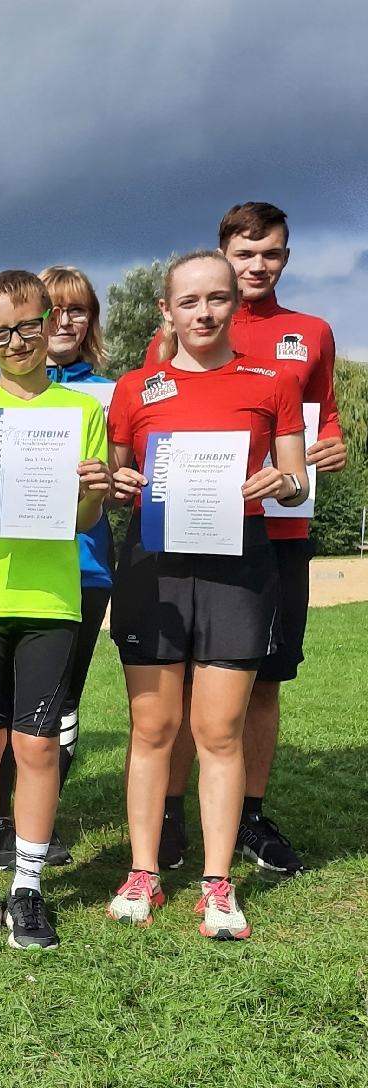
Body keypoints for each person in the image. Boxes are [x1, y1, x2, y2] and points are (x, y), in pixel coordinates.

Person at [105, 250, 307, 940]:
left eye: (216, 299)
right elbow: (117, 474)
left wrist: (280, 483)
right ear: (167, 310)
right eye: (188, 301)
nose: (204, 312)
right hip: (153, 571)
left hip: (237, 571)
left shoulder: (273, 380)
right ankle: (143, 873)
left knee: (218, 731)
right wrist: (116, 483)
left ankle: (218, 885)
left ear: (233, 304)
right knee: (152, 728)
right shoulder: (135, 388)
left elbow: (297, 477)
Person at [154, 203, 346, 877]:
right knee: (177, 683)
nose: (258, 264)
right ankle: (173, 814)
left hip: (279, 532)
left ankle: (251, 818)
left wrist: (327, 455)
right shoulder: (177, 334)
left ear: (285, 259)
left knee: (264, 680)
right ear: (224, 258)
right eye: (246, 253)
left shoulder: (311, 334)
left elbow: (326, 431)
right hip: (187, 533)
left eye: (271, 253)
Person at [0, 271, 110, 949]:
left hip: (51, 600)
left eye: (28, 325)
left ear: (49, 322)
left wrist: (94, 493)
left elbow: (86, 516)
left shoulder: (82, 412)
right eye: (0, 331)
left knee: (37, 746)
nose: (17, 341)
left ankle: (29, 889)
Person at [0, 266, 114, 870]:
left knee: (58, 706)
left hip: (82, 570)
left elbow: (126, 480)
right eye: (55, 310)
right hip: (10, 569)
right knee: (3, 705)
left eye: (78, 311)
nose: (64, 322)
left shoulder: (109, 393)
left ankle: (34, 821)